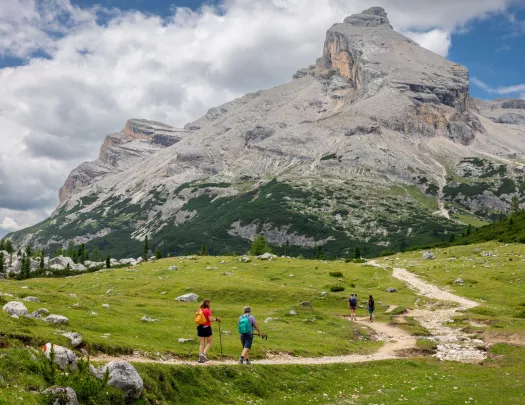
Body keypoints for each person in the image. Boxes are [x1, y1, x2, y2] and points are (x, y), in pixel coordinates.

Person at [197, 298, 220, 363]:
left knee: (201, 343)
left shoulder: (200, 310)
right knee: (209, 342)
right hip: (207, 327)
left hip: (200, 327)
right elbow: (210, 319)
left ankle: (200, 358)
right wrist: (216, 319)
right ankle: (203, 354)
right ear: (208, 304)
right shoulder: (208, 310)